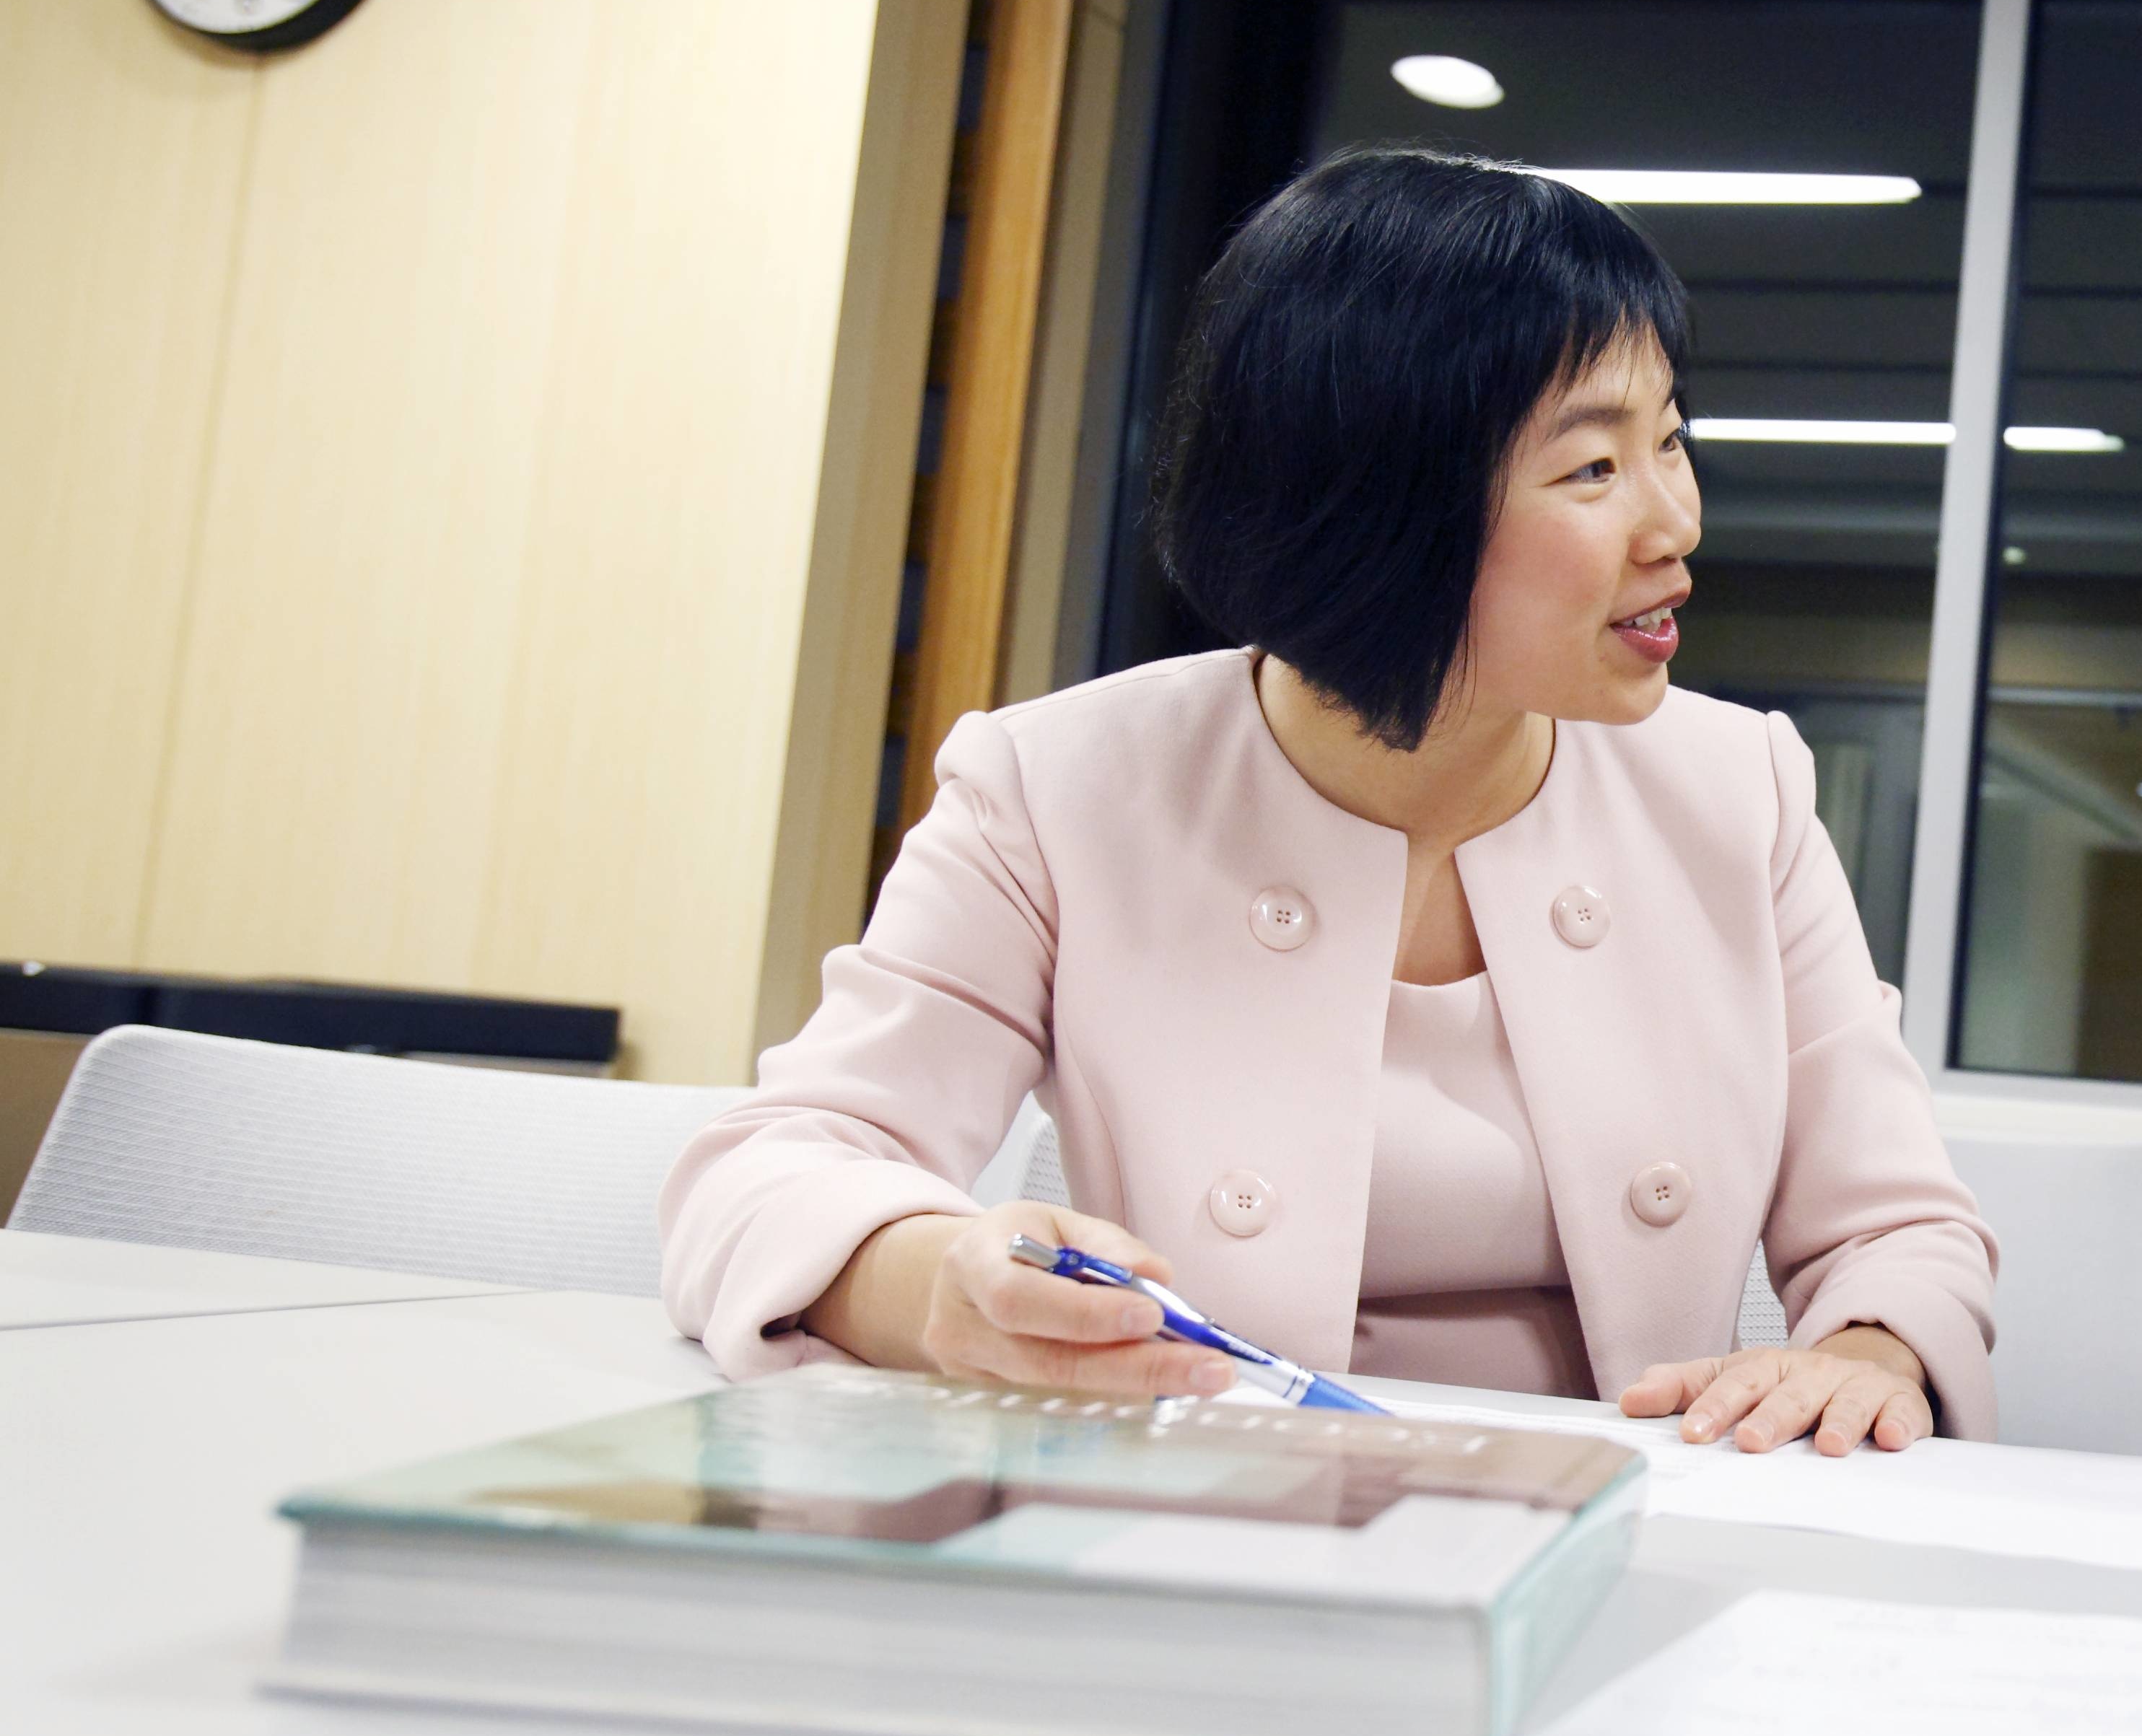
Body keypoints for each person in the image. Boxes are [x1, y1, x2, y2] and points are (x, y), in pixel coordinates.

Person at [660, 150, 1995, 1455]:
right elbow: (778, 1164)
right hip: (1202, 1516)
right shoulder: (1057, 788)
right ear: (1382, 510)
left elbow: (1897, 1230)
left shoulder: (1737, 791)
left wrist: (1855, 1359)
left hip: (1624, 1516)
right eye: (1592, 469)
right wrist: (946, 1280)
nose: (1675, 521)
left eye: (1669, 442)